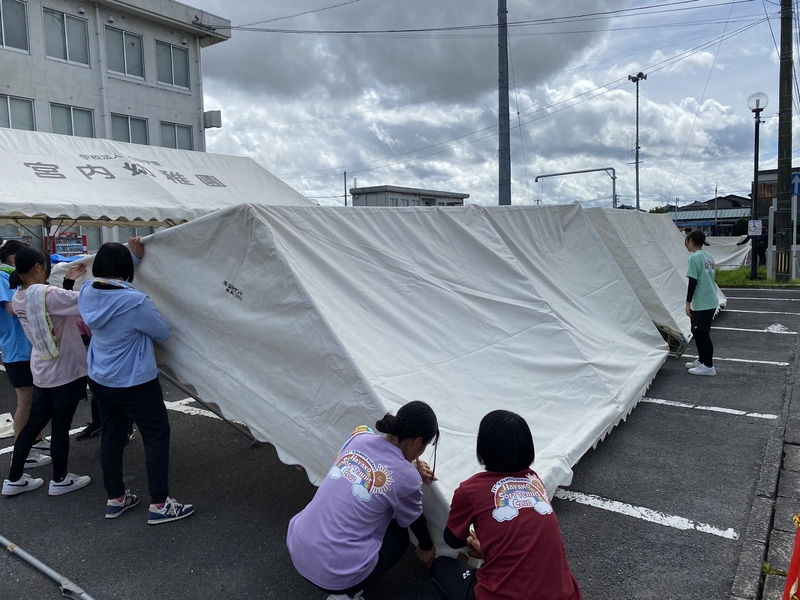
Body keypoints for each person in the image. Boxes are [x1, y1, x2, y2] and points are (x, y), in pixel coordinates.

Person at [79, 238, 193, 524]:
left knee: (113, 435)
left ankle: (116, 498)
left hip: (101, 378)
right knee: (155, 436)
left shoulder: (87, 292)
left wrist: (134, 260)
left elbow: (112, 283)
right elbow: (163, 332)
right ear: (124, 269)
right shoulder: (135, 302)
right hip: (133, 381)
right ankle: (159, 504)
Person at [287, 401, 439, 600]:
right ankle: (347, 594)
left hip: (297, 545)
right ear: (417, 442)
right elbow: (414, 519)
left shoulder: (359, 437)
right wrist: (427, 547)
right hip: (334, 575)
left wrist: (408, 464)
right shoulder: (408, 476)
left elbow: (379, 457)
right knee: (400, 535)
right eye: (425, 446)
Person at [430, 410, 582, 600]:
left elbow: (452, 539)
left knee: (441, 566)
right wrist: (488, 550)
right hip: (565, 595)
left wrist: (470, 541)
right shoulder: (534, 481)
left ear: (484, 448)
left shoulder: (470, 490)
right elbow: (521, 536)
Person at [2, 247, 91, 496]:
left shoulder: (19, 295)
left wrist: (67, 282)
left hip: (42, 368)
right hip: (65, 370)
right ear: (39, 268)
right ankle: (60, 479)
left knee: (32, 426)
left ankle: (14, 479)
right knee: (61, 427)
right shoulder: (48, 294)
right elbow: (86, 302)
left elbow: (55, 307)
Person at [0, 240, 50, 468]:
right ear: (13, 258)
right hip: (18, 350)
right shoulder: (3, 276)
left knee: (37, 400)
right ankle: (23, 452)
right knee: (25, 402)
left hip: (29, 348)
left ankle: (36, 440)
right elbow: (12, 309)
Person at [684, 230, 718, 377]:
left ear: (691, 240)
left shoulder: (694, 258)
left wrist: (687, 303)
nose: (686, 245)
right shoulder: (708, 256)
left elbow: (692, 282)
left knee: (702, 334)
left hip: (702, 301)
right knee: (697, 332)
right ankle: (702, 360)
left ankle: (709, 366)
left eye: (686, 242)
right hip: (710, 299)